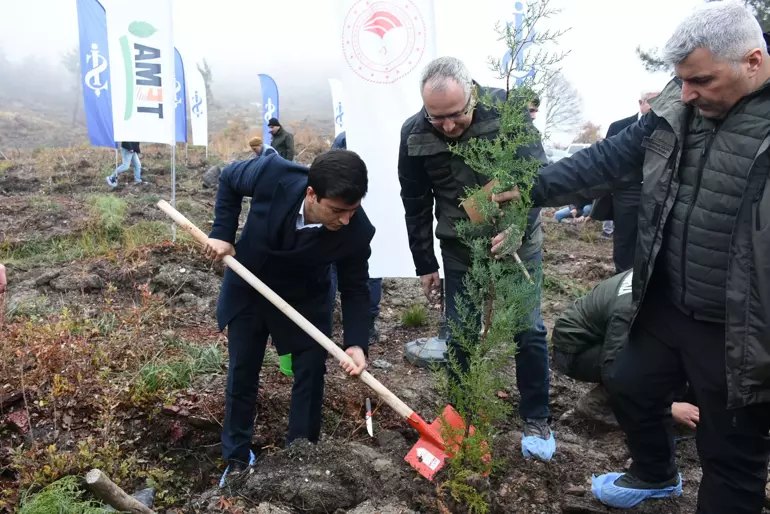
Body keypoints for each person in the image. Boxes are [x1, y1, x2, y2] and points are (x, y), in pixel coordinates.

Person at [491, 4, 770, 511]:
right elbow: (611, 156)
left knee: (730, 457)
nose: (687, 93)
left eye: (701, 80)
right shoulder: (678, 107)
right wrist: (532, 187)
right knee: (629, 380)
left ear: (753, 61)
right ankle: (655, 474)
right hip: (665, 298)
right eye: (681, 81)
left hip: (739, 325)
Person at [398, 56, 554, 460]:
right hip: (460, 246)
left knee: (527, 328)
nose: (448, 126)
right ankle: (460, 416)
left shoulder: (508, 113)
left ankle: (536, 416)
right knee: (460, 334)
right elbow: (415, 202)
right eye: (437, 118)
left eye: (455, 115)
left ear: (472, 94)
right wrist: (424, 264)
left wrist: (519, 226)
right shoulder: (414, 133)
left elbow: (536, 180)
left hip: (518, 242)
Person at [205, 150, 373, 486]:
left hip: (305, 300)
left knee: (310, 374)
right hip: (250, 284)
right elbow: (228, 179)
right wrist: (223, 232)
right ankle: (236, 456)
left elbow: (356, 289)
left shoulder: (356, 232)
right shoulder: (272, 174)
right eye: (337, 211)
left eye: (352, 211)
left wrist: (356, 343)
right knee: (242, 371)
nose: (345, 220)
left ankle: (301, 456)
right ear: (312, 194)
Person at [551, 270, 699, 430]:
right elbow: (615, 370)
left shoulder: (658, 274)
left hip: (599, 338)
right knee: (654, 360)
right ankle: (597, 404)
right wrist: (668, 408)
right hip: (573, 352)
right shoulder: (630, 308)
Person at [591, 88, 661, 273]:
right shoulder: (619, 126)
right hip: (626, 192)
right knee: (624, 241)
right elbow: (605, 160)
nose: (657, 107)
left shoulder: (666, 126)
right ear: (641, 103)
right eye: (653, 102)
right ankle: (622, 280)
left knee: (651, 241)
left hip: (657, 193)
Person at [327, 131, 383, 343]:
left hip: (353, 210)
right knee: (369, 268)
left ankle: (351, 323)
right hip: (351, 210)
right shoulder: (374, 131)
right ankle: (363, 324)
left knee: (363, 270)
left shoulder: (348, 134)